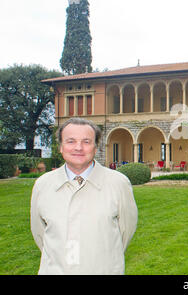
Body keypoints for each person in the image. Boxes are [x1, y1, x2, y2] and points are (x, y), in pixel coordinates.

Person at [30, 117, 138, 275]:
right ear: (60, 147)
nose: (78, 148)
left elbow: (125, 232)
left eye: (86, 142)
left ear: (95, 147)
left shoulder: (118, 183)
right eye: (71, 141)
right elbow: (40, 234)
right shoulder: (43, 185)